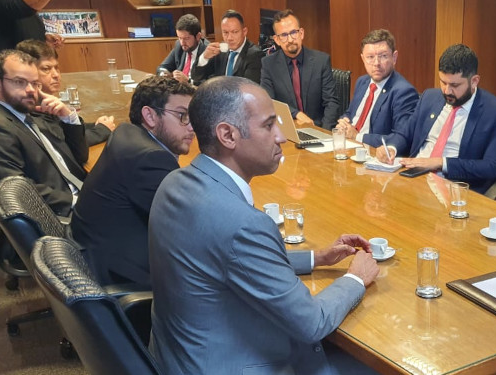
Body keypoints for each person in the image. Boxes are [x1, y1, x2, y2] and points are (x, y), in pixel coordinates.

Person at [148, 76, 380, 374]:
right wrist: (355, 279)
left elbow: (226, 257)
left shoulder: (175, 182)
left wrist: (316, 258)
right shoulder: (243, 224)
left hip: (178, 357)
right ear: (228, 135)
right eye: (269, 125)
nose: (282, 136)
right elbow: (311, 323)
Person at [71, 76, 195, 286]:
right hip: (122, 277)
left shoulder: (126, 132)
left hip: (92, 252)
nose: (192, 127)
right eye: (182, 116)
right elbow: (191, 229)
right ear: (149, 115)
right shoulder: (152, 159)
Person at [375, 44, 496, 194]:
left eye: (454, 85)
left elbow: (491, 167)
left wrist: (441, 162)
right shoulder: (430, 97)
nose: (447, 91)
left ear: (474, 81)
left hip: (454, 188)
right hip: (412, 180)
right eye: (443, 82)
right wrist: (391, 147)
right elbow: (405, 133)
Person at [0, 49, 86, 217]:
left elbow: (80, 156)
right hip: (63, 216)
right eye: (20, 82)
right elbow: (20, 192)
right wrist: (80, 202)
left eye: (35, 83)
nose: (31, 90)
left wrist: (68, 116)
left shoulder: (33, 117)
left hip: (83, 194)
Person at [0, 0, 64, 121]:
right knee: (1, 133)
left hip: (21, 81)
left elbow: (19, 28)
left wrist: (43, 40)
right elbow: (23, 7)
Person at [15, 39, 115, 146]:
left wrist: (97, 125)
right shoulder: (29, 110)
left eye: (56, 68)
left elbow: (64, 127)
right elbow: (65, 143)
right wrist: (102, 130)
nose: (56, 75)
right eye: (46, 69)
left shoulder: (46, 101)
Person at [333, 29, 418, 147]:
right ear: (363, 59)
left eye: (383, 56)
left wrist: (357, 136)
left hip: (372, 153)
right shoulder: (362, 82)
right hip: (347, 146)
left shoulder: (403, 91)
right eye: (370, 57)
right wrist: (344, 122)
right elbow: (350, 113)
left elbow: (401, 138)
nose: (376, 63)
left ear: (394, 57)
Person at [260, 9, 340, 129]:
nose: (291, 39)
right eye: (284, 35)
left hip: (318, 127)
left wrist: (325, 133)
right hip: (287, 129)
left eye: (293, 32)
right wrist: (296, 114)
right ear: (277, 40)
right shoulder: (268, 64)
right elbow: (268, 101)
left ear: (301, 33)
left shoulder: (321, 61)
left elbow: (331, 102)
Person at [191, 10, 263, 84]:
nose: (229, 38)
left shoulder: (255, 55)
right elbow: (196, 77)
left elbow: (249, 88)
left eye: (234, 32)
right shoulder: (219, 50)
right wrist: (204, 57)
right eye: (225, 32)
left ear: (244, 32)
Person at [157, 14, 210, 85]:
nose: (182, 42)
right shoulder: (179, 46)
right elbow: (163, 67)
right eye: (179, 37)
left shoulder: (208, 51)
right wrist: (164, 74)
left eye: (186, 38)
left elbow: (210, 84)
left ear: (198, 36)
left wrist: (188, 81)